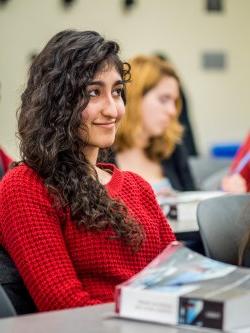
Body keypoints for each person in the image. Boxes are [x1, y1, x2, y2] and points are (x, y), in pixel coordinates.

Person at [0, 30, 175, 312]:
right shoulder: (25, 186)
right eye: (94, 93)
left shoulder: (136, 186)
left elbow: (176, 277)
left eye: (117, 92)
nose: (113, 109)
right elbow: (63, 304)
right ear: (58, 102)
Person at [113, 55, 196, 203]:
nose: (172, 111)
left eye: (174, 102)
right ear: (134, 99)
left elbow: (195, 203)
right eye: (164, 99)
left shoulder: (172, 149)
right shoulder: (100, 155)